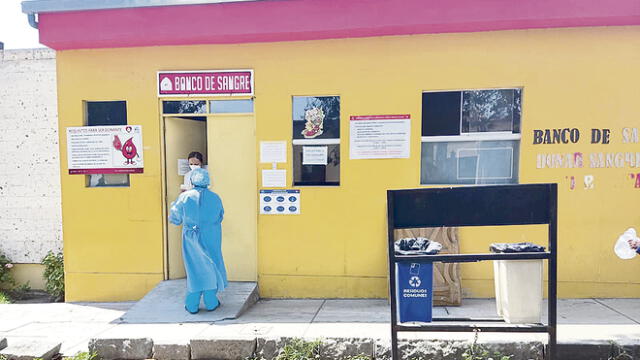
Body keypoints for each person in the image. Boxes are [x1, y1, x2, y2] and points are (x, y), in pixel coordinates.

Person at [169, 168, 228, 314]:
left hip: (191, 238)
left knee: (194, 268)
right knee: (211, 264)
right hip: (211, 237)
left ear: (192, 180)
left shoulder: (185, 197)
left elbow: (175, 218)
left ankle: (192, 304)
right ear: (208, 181)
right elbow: (220, 216)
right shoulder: (215, 197)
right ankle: (211, 301)